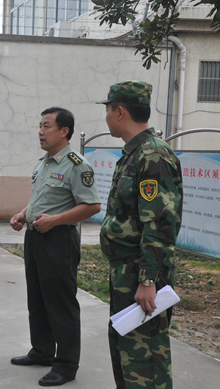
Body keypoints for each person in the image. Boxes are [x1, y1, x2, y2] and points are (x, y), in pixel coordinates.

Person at [97, 81, 183, 389]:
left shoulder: (153, 155)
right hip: (127, 271)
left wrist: (148, 280)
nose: (106, 116)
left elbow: (160, 223)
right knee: (126, 353)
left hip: (141, 273)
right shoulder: (135, 154)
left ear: (119, 111)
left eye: (107, 109)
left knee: (145, 361)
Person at [9, 107, 101, 386]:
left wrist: (56, 220)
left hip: (59, 240)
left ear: (64, 131)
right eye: (40, 125)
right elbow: (41, 197)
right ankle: (42, 351)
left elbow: (92, 206)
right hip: (35, 237)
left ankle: (66, 364)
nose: (40, 131)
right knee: (37, 299)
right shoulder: (44, 163)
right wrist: (23, 213)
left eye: (47, 126)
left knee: (61, 303)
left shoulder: (77, 165)